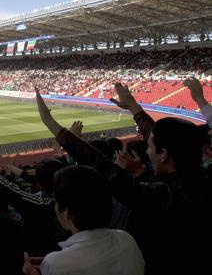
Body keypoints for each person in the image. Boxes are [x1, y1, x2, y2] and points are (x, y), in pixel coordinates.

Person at [36, 85, 212, 275]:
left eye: (150, 148)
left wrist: (53, 125)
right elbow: (169, 140)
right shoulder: (197, 179)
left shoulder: (169, 197)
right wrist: (134, 108)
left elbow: (107, 170)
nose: (147, 151)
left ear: (164, 155)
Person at [23, 166, 144, 275]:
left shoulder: (55, 264)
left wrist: (52, 265)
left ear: (67, 212)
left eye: (56, 200)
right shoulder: (126, 238)